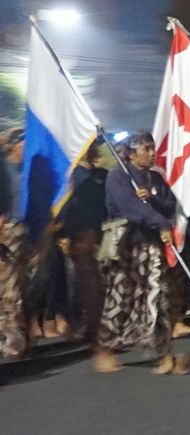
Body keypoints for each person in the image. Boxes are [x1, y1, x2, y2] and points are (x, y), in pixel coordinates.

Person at [93, 131, 190, 374]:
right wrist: (159, 223)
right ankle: (105, 348)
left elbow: (169, 204)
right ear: (130, 153)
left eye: (152, 148)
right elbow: (130, 208)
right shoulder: (118, 176)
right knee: (121, 299)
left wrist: (154, 202)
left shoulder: (154, 177)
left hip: (152, 247)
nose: (151, 153)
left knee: (158, 297)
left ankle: (164, 354)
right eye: (145, 148)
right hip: (127, 248)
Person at [58, 142, 108, 343]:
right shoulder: (71, 175)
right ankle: (81, 325)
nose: (92, 148)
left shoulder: (102, 175)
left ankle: (96, 326)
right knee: (78, 284)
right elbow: (66, 208)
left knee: (97, 284)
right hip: (78, 236)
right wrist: (65, 234)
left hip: (99, 234)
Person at [0, 127, 29, 358]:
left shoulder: (26, 170)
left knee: (20, 285)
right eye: (22, 144)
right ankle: (10, 339)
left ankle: (18, 336)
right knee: (8, 287)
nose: (26, 148)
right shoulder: (3, 167)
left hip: (22, 230)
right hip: (5, 229)